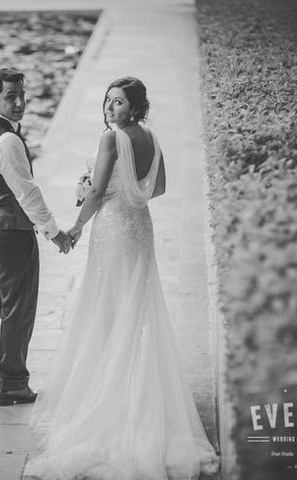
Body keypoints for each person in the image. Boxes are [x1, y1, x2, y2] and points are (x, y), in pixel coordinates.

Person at [24, 77, 220, 479]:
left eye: (118, 103)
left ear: (134, 107)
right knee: (138, 304)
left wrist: (77, 225)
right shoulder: (151, 136)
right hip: (140, 227)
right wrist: (129, 192)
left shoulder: (110, 140)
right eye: (108, 101)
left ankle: (110, 394)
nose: (110, 108)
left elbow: (95, 192)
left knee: (108, 304)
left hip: (113, 228)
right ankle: (138, 385)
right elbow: (159, 187)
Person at [0, 68, 73, 407]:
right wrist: (55, 233)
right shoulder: (7, 140)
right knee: (17, 309)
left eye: (22, 95)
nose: (20, 102)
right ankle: (12, 384)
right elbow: (27, 193)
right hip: (11, 233)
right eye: (11, 96)